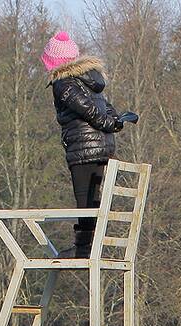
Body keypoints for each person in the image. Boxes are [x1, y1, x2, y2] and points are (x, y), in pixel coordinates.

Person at [42, 31, 138, 259]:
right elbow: (105, 107)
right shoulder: (89, 81)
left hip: (84, 149)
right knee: (92, 198)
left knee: (84, 198)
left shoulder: (63, 84)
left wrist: (108, 122)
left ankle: (84, 248)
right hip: (102, 147)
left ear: (55, 62)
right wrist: (113, 122)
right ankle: (88, 246)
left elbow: (88, 110)